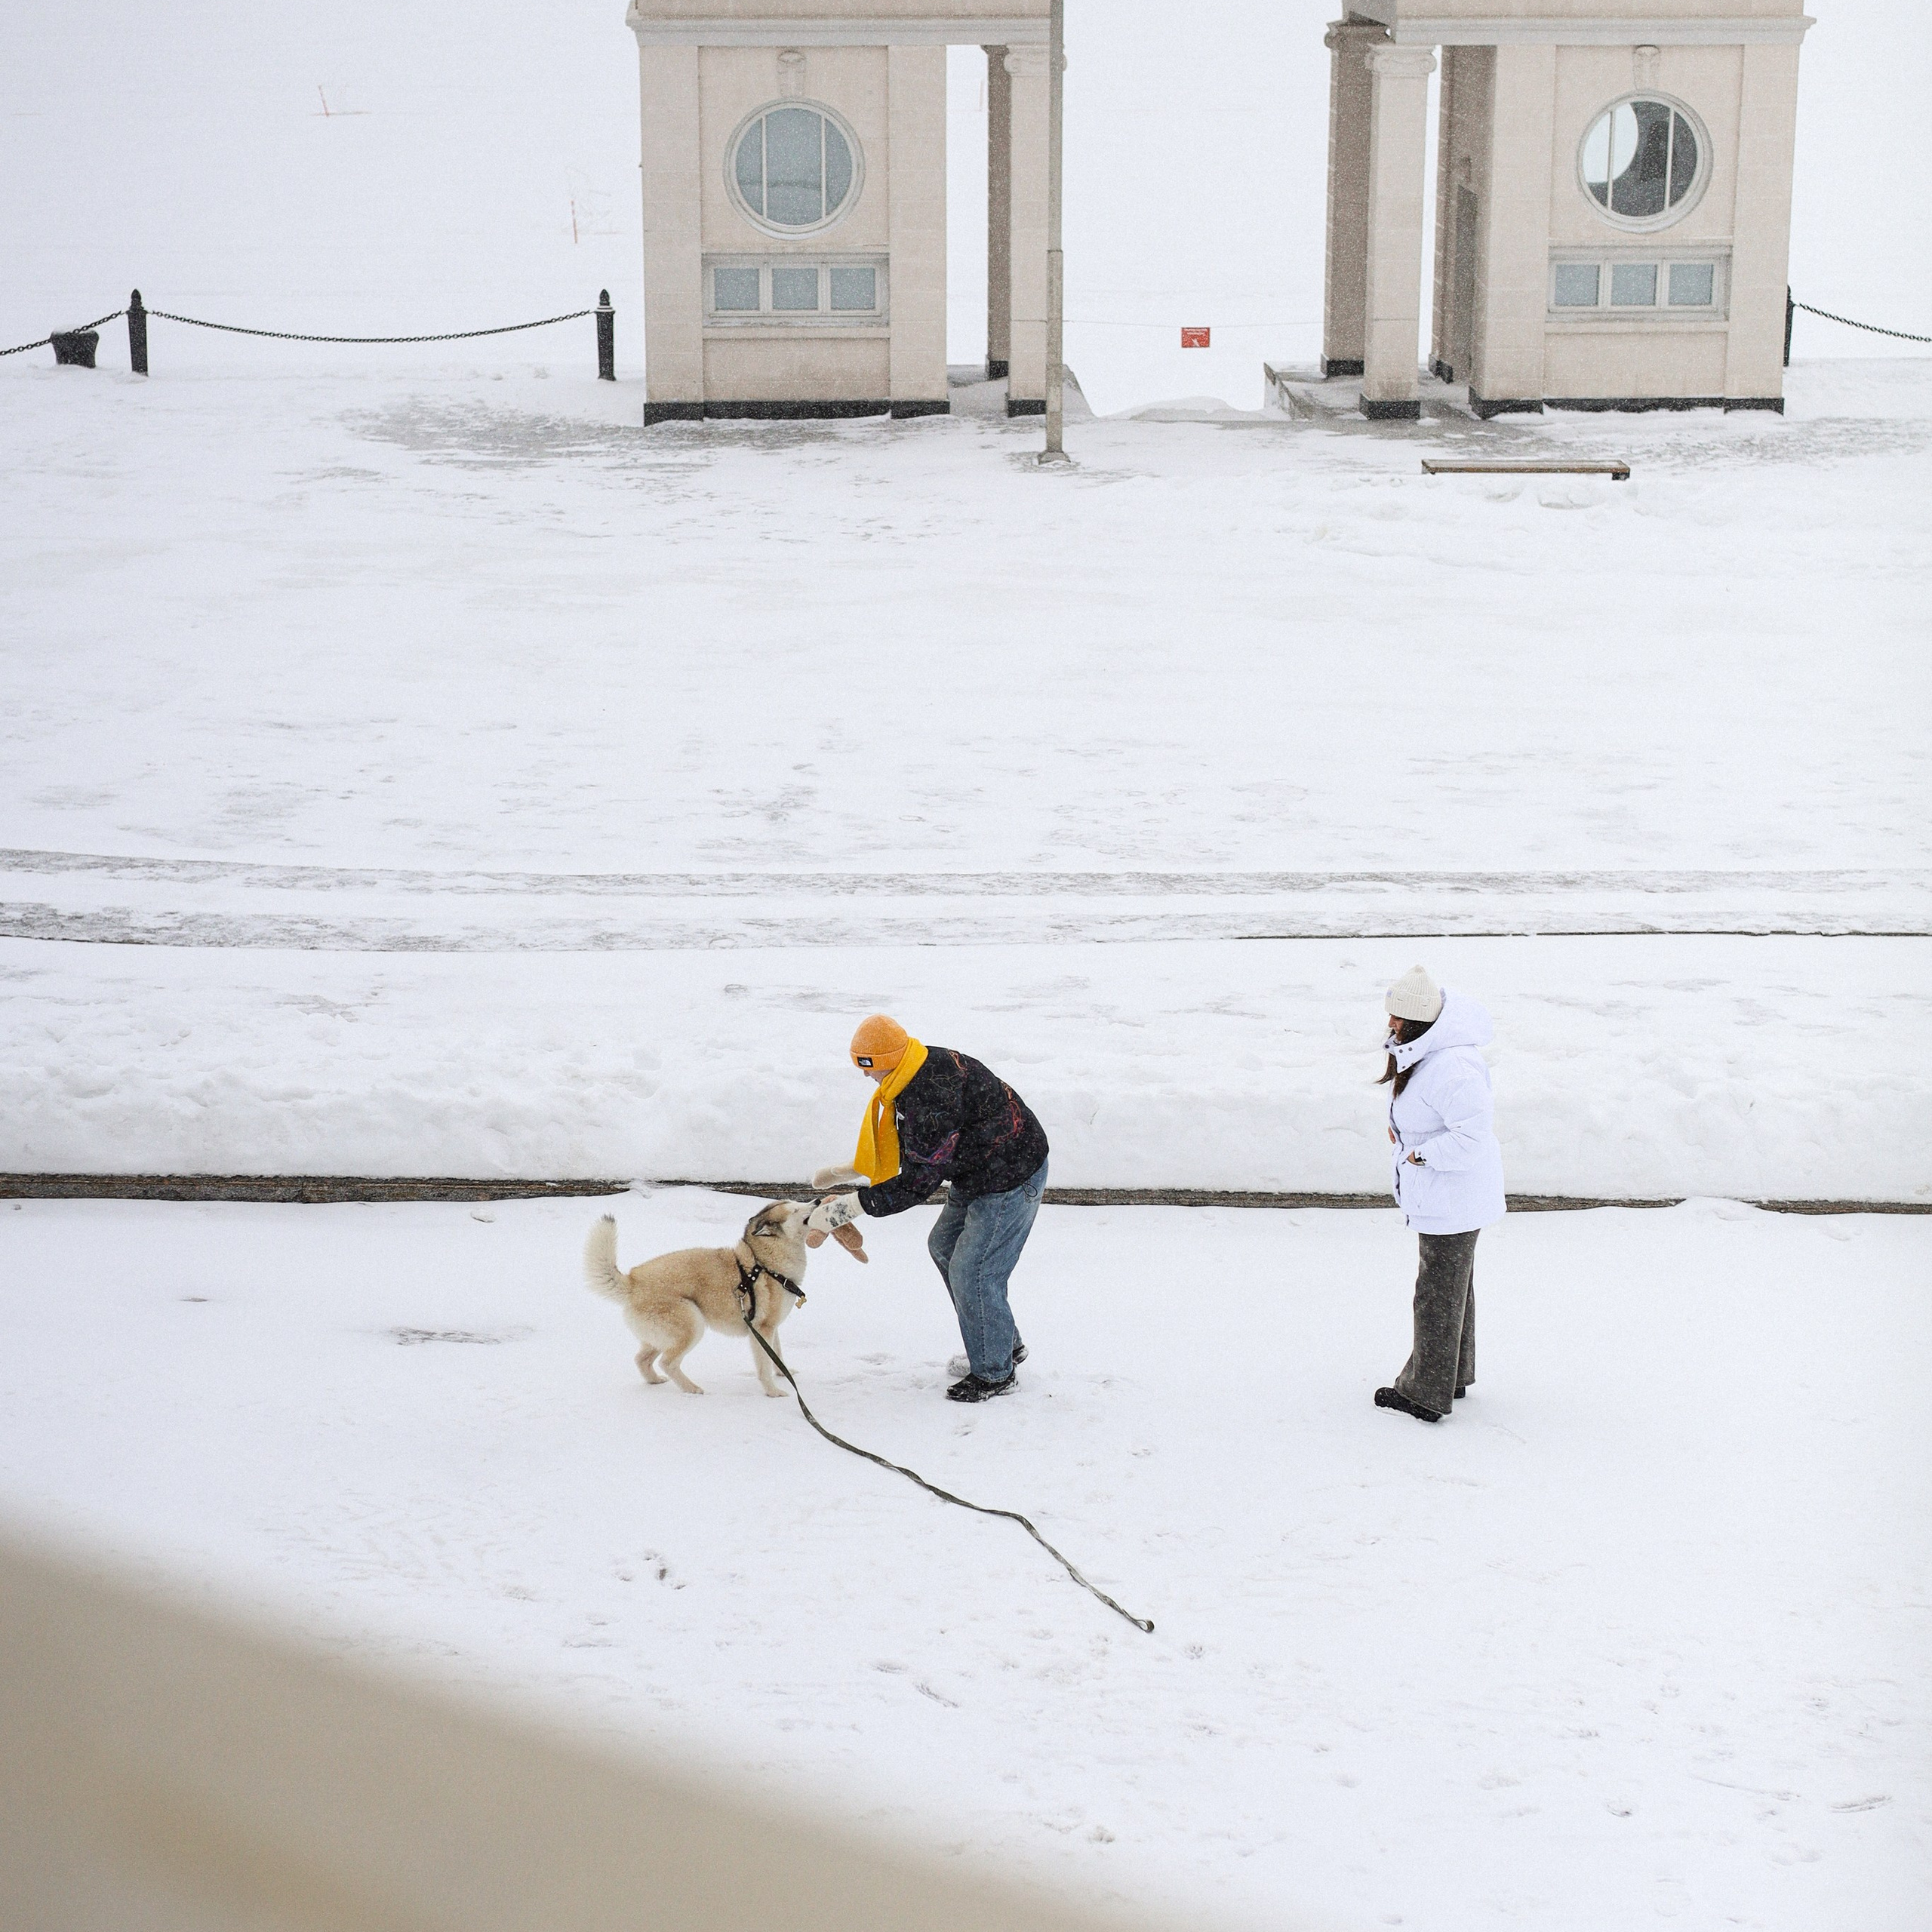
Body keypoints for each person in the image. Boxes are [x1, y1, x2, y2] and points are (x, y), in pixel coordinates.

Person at [807, 1016, 1049, 1404]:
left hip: (1011, 1176)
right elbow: (917, 1149)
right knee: (944, 1247)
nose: (866, 1077)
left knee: (974, 1271)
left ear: (889, 1057)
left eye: (869, 1066)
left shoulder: (929, 1095)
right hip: (977, 1170)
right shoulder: (910, 1071)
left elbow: (919, 1181)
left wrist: (849, 1208)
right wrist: (854, 1171)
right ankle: (1002, 1345)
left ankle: (995, 1374)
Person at [1374, 965, 1506, 1425]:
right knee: (1453, 1289)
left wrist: (1420, 1157)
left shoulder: (1453, 1066)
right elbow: (1432, 1112)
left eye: (1397, 1018)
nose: (1389, 1025)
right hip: (1449, 1195)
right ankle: (1452, 1375)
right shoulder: (1432, 1054)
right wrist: (1405, 1134)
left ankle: (1425, 1392)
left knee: (1436, 1293)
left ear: (1418, 1021)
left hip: (1452, 1196)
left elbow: (1470, 1138)